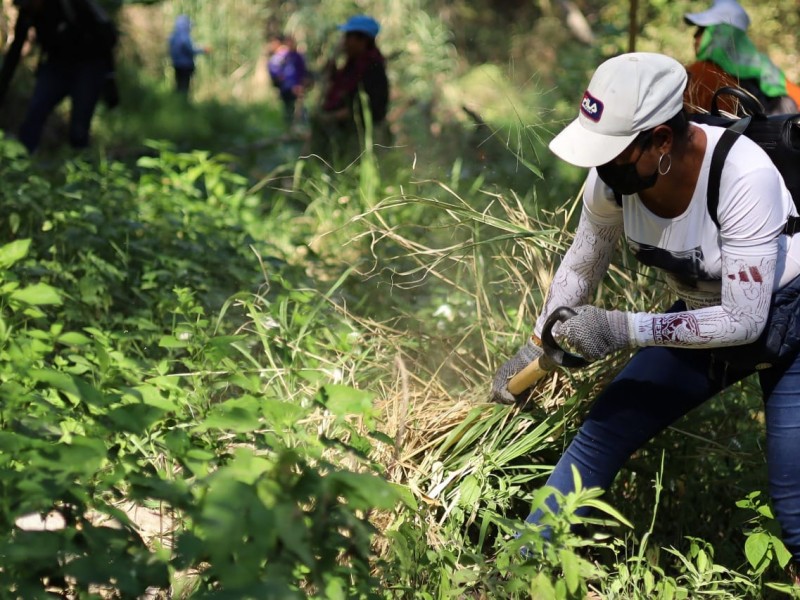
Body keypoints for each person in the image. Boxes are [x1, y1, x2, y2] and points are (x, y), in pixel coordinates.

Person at [491, 52, 800, 585]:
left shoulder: (742, 173)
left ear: (661, 141)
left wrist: (621, 329)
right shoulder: (612, 180)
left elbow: (746, 321)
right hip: (704, 314)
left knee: (795, 505)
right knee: (602, 431)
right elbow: (584, 260)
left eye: (612, 155)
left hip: (788, 318)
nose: (602, 168)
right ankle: (520, 574)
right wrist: (541, 342)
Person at [0, 0, 118, 153]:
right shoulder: (28, 14)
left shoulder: (71, 5)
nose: (26, 6)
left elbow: (106, 38)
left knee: (79, 127)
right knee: (36, 111)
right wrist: (2, 89)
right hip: (56, 65)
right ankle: (23, 157)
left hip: (88, 65)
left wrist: (109, 76)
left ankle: (81, 165)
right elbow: (14, 53)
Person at [683, 0, 800, 115]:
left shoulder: (700, 73)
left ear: (717, 34)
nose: (694, 36)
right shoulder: (767, 69)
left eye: (702, 29)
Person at [309, 14, 389, 164]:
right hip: (343, 131)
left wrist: (333, 117)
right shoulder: (352, 64)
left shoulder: (373, 67)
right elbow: (332, 81)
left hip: (361, 136)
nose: (344, 41)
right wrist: (334, 57)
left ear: (362, 40)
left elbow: (372, 106)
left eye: (348, 37)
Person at [267, 34, 307, 129]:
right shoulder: (281, 57)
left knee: (299, 109)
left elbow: (302, 71)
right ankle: (289, 128)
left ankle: (300, 128)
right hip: (286, 89)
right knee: (288, 109)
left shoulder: (297, 56)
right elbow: (275, 70)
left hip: (297, 87)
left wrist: (300, 84)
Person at [168, 15, 209, 99]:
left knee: (178, 83)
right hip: (186, 65)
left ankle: (178, 102)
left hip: (177, 64)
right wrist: (203, 50)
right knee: (185, 85)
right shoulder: (185, 37)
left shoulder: (173, 36)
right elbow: (190, 50)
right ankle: (183, 103)